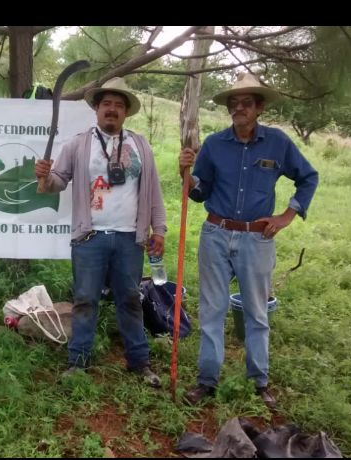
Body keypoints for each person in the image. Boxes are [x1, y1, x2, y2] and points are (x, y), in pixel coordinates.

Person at [178, 72, 319, 409]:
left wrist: (286, 216)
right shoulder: (214, 144)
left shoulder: (278, 143)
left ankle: (259, 382)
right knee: (212, 310)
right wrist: (186, 174)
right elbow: (201, 192)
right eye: (233, 103)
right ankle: (206, 382)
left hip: (257, 239)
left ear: (259, 107)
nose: (238, 107)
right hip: (215, 234)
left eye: (245, 103)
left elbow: (308, 177)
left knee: (256, 313)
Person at [35, 77, 166, 388]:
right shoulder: (78, 144)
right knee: (85, 300)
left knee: (130, 299)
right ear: (96, 108)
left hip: (129, 239)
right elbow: (56, 182)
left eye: (119, 105)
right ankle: (77, 363)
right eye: (107, 104)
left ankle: (139, 362)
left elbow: (155, 193)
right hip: (90, 238)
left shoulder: (140, 146)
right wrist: (43, 176)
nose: (112, 110)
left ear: (125, 113)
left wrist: (158, 229)